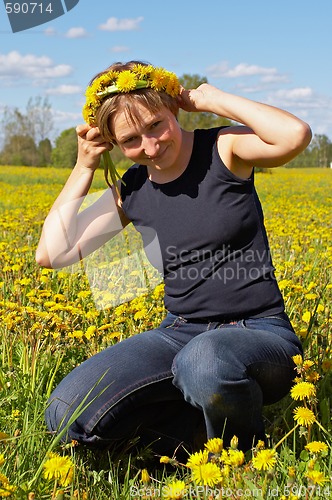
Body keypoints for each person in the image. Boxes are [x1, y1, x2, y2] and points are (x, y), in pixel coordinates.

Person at [36, 60, 312, 456]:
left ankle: (245, 456)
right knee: (67, 411)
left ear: (173, 108)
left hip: (260, 332)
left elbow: (295, 135)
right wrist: (85, 164)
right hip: (180, 332)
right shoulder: (132, 187)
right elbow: (52, 252)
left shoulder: (224, 149)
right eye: (131, 140)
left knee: (205, 362)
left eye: (155, 125)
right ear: (114, 143)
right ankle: (192, 435)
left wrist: (213, 100)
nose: (149, 147)